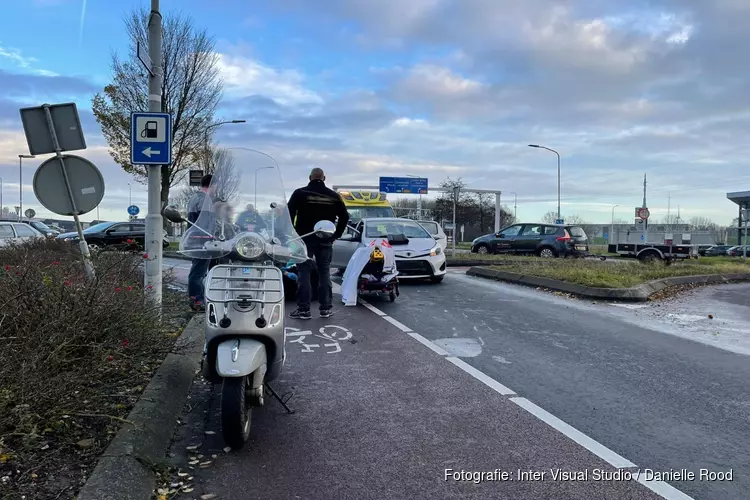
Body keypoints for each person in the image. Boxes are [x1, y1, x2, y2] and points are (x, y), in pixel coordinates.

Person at [286, 167, 349, 319]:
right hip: (326, 241)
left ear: (309, 177)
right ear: (324, 178)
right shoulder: (334, 196)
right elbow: (344, 217)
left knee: (303, 273)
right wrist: (335, 235)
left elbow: (288, 214)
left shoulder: (300, 193)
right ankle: (325, 309)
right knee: (324, 273)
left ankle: (304, 310)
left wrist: (294, 233)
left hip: (304, 239)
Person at [186, 174, 214, 311]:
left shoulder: (195, 197)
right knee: (198, 273)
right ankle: (197, 301)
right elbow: (207, 222)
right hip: (202, 241)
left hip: (194, 239)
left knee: (198, 271)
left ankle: (198, 299)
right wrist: (213, 236)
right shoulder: (205, 199)